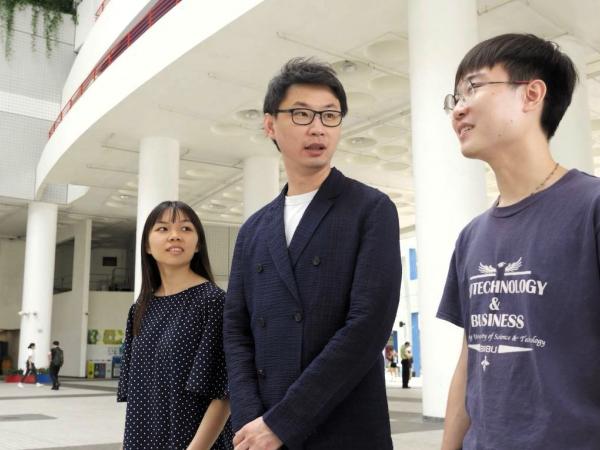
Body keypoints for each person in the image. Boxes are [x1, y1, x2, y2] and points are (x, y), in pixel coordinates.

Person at [224, 58, 402, 450]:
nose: (317, 127)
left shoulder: (371, 209)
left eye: (330, 115)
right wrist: (252, 417)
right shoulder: (253, 229)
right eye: (302, 114)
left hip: (345, 428)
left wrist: (282, 422)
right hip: (261, 433)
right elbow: (236, 331)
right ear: (270, 125)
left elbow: (367, 327)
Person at [437, 33, 600, 450]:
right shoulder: (471, 236)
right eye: (453, 98)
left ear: (531, 94)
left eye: (473, 87)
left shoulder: (591, 208)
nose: (458, 108)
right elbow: (469, 360)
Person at [117, 201, 232, 450]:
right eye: (162, 229)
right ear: (147, 245)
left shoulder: (213, 302)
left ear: (198, 243)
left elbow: (224, 394)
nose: (175, 236)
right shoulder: (139, 310)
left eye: (186, 229)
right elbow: (138, 397)